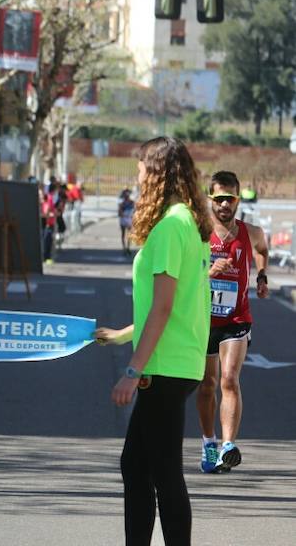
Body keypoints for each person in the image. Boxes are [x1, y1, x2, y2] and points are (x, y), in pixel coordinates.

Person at [95, 136, 212, 546]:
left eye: (142, 166)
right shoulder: (189, 224)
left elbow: (163, 309)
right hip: (179, 361)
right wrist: (123, 334)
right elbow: (174, 306)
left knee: (162, 472)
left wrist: (132, 370)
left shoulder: (168, 229)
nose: (138, 174)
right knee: (138, 466)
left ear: (158, 172)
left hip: (163, 366)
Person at [195, 171, 269, 473]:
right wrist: (209, 272)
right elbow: (184, 273)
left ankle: (228, 445)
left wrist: (262, 276)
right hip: (202, 319)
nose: (225, 204)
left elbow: (263, 250)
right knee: (207, 385)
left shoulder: (251, 232)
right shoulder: (198, 233)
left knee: (228, 379)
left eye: (231, 198)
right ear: (210, 199)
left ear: (238, 199)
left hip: (237, 318)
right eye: (219, 198)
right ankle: (209, 443)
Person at [119, 189, 135, 256]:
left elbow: (134, 211)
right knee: (123, 234)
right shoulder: (122, 204)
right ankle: (124, 248)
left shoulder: (132, 203)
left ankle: (127, 248)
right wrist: (124, 214)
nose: (127, 197)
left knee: (129, 234)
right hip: (124, 220)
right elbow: (119, 213)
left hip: (128, 220)